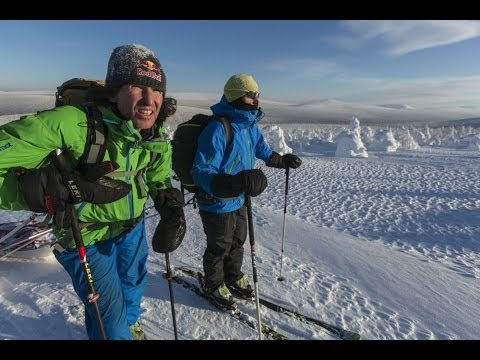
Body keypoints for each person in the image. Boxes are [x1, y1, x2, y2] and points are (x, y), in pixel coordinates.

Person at [0, 44, 186, 340]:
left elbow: (156, 173)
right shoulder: (72, 123)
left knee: (133, 284)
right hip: (84, 234)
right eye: (137, 86)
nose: (150, 100)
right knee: (109, 321)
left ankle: (132, 322)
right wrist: (49, 190)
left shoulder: (153, 131)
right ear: (114, 91)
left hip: (131, 226)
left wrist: (167, 201)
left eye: (157, 90)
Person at [191, 73, 302, 308]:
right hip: (216, 201)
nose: (257, 100)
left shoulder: (249, 125)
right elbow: (201, 170)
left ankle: (232, 276)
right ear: (237, 96)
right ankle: (213, 284)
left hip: (240, 199)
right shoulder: (218, 128)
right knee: (219, 246)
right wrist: (231, 183)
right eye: (252, 95)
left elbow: (262, 151)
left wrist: (283, 161)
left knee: (238, 241)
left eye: (258, 95)